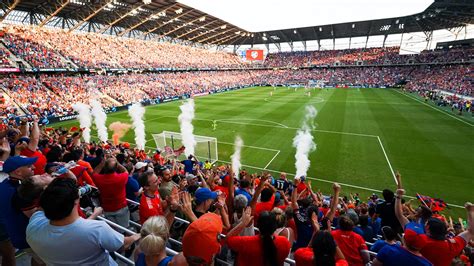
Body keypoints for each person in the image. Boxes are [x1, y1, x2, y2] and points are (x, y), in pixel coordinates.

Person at [26, 178, 140, 265]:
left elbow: (76, 229)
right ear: (76, 201)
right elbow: (123, 244)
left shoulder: (33, 225)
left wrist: (94, 215)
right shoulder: (97, 229)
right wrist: (140, 234)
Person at [227, 211, 291, 266]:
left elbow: (228, 239)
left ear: (258, 226)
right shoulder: (284, 242)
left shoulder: (246, 242)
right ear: (275, 227)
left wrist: (243, 223)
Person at [93, 156, 130, 228]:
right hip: (121, 208)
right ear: (116, 167)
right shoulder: (121, 177)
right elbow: (126, 171)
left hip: (107, 209)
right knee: (124, 229)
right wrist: (117, 163)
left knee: (112, 229)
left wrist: (102, 163)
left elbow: (94, 172)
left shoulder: (99, 179)